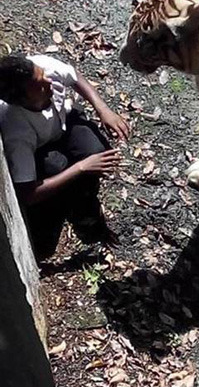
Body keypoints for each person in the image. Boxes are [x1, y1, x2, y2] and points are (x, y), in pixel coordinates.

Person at [0, 53, 130, 260]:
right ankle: (75, 211)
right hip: (41, 150)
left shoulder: (43, 67)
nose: (48, 81)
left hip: (63, 123)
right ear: (23, 101)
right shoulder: (17, 131)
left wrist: (103, 109)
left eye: (42, 75)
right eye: (40, 86)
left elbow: (74, 76)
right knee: (58, 167)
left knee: (97, 152)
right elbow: (28, 193)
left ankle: (85, 206)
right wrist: (80, 167)